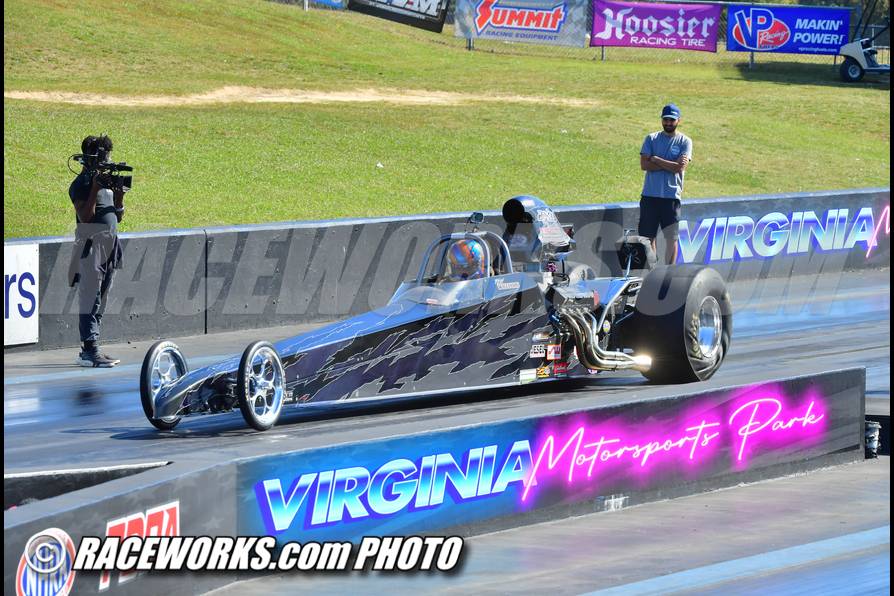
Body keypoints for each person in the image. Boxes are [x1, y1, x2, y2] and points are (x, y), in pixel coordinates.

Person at [68, 134, 127, 367]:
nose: (107, 162)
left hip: (110, 245)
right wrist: (94, 188)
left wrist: (119, 197)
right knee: (90, 299)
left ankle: (92, 347)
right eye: (103, 158)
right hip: (90, 247)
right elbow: (85, 217)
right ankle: (89, 351)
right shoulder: (80, 185)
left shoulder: (107, 183)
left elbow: (117, 216)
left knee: (101, 300)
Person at [638, 103, 692, 265]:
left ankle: (668, 272)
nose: (668, 123)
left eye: (672, 120)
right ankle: (653, 270)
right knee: (648, 237)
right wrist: (670, 164)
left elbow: (679, 168)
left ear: (678, 120)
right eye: (666, 119)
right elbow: (644, 165)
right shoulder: (651, 139)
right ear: (661, 119)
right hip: (650, 196)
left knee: (671, 238)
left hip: (671, 198)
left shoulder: (685, 141)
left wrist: (655, 159)